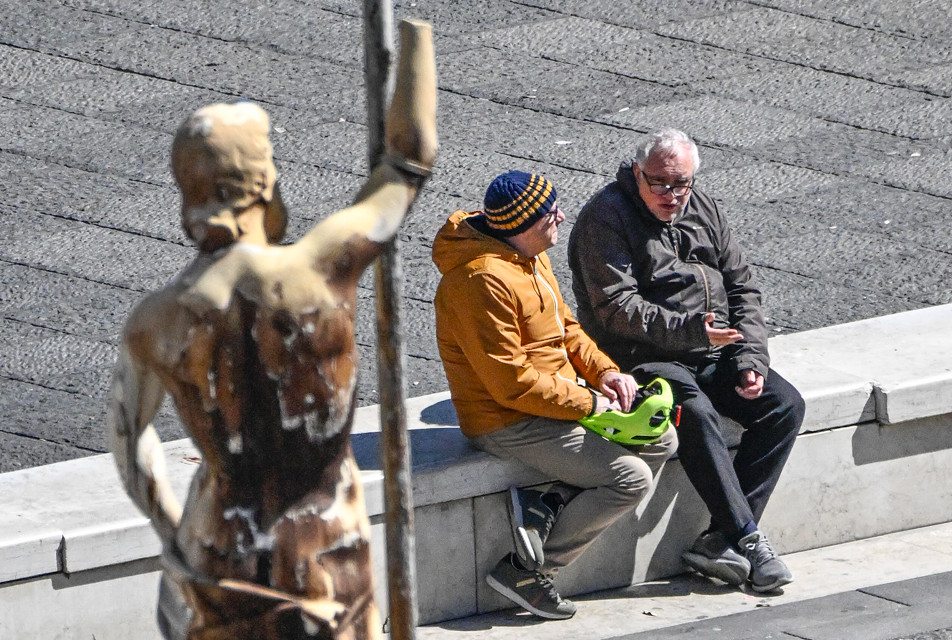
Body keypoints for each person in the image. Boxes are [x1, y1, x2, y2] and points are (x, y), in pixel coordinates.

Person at [107, 21, 436, 640]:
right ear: (262, 185)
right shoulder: (320, 270)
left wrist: (171, 526)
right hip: (326, 556)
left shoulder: (157, 320)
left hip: (219, 555)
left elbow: (128, 440)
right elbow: (408, 161)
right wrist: (417, 35)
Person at [432, 171, 678, 620]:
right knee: (630, 480)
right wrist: (588, 404)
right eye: (551, 213)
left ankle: (553, 501)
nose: (561, 216)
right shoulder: (479, 282)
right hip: (506, 420)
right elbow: (511, 383)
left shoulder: (529, 255)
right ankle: (526, 570)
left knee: (661, 438)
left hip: (557, 400)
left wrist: (605, 373)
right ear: (524, 224)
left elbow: (566, 329)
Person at [568, 129, 805, 593]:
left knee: (784, 406)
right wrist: (694, 329)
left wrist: (749, 357)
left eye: (682, 184)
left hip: (713, 347)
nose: (672, 195)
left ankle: (720, 539)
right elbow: (617, 308)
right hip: (643, 355)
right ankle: (749, 538)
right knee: (692, 412)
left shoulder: (704, 208)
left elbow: (742, 287)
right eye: (659, 183)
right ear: (637, 173)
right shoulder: (605, 218)